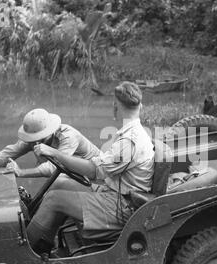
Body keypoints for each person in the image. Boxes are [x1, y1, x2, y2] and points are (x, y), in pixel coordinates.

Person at [26, 82, 155, 254]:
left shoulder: (130, 140)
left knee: (54, 199)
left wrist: (54, 153)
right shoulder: (132, 133)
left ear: (115, 106)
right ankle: (46, 243)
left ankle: (25, 253)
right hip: (115, 193)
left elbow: (94, 171)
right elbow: (101, 167)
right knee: (58, 184)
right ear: (140, 106)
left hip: (123, 206)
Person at [0, 108, 100, 179]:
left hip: (95, 175)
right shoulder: (33, 140)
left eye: (40, 138)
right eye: (33, 139)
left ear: (49, 131)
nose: (36, 142)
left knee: (57, 184)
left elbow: (53, 169)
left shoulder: (67, 136)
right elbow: (8, 153)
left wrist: (21, 173)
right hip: (71, 175)